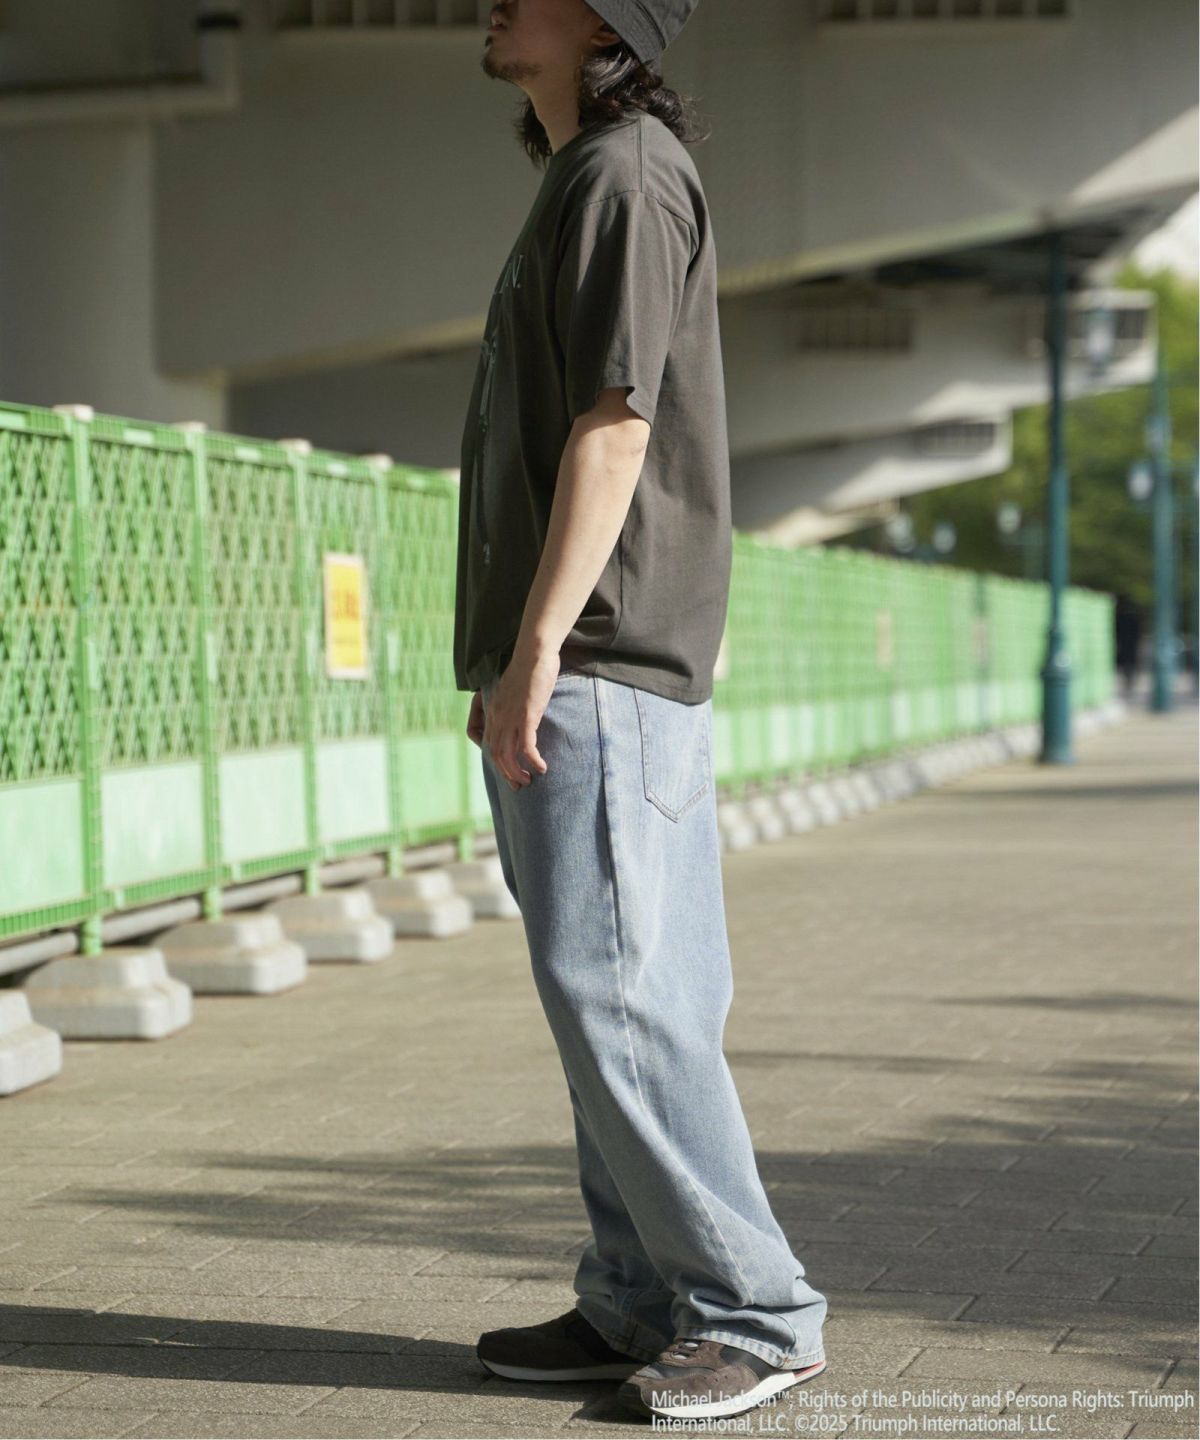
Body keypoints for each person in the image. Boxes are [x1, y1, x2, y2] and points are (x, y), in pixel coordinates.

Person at [452, 0, 828, 1421]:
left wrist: (540, 645)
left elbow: (615, 424)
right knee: (617, 998)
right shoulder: (592, 173)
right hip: (595, 661)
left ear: (606, 17)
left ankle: (755, 1311)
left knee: (618, 999)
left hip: (602, 658)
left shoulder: (621, 174)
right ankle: (637, 1296)